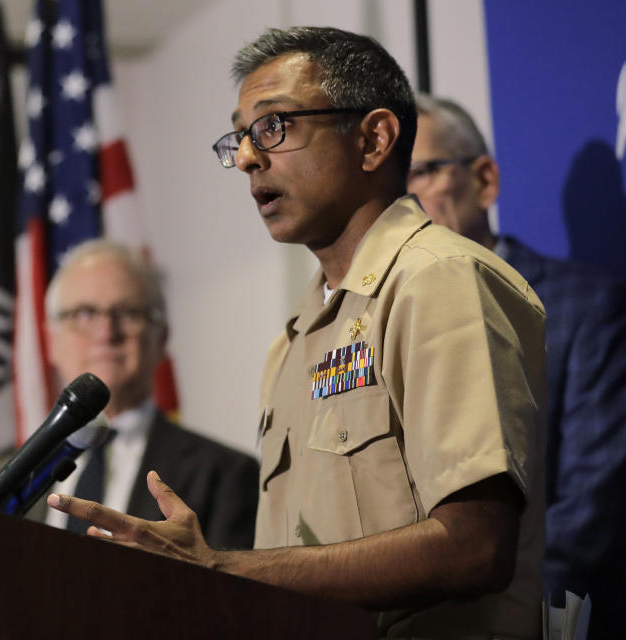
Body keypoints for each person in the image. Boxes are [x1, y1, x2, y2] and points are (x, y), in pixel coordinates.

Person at [48, 26, 549, 638]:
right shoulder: (294, 339)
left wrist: (219, 568)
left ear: (373, 139)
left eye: (274, 125)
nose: (249, 157)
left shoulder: (438, 280)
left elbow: (475, 547)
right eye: (241, 136)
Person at [410, 94, 626, 638]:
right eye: (393, 185)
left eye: (422, 173)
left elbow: (591, 502)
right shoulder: (397, 330)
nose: (405, 201)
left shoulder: (585, 306)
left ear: (484, 180)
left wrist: (503, 617)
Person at [40, 239, 259, 550]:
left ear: (163, 336)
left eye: (127, 313)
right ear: (50, 340)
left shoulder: (225, 475)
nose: (106, 333)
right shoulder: (7, 475)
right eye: (85, 313)